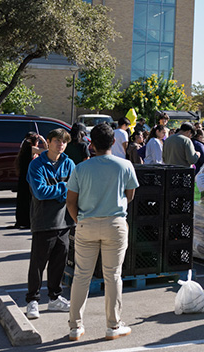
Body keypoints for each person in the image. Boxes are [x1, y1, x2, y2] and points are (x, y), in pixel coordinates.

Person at [66, 123, 139, 341]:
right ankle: (113, 325)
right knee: (113, 275)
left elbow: (71, 202)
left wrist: (80, 219)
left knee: (81, 276)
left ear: (91, 143)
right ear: (114, 141)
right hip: (114, 223)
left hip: (86, 223)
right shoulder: (125, 165)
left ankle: (75, 326)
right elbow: (130, 195)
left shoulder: (80, 168)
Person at [24, 128, 76, 320]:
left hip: (65, 221)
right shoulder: (37, 165)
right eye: (57, 141)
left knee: (58, 263)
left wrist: (60, 191)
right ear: (48, 141)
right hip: (44, 222)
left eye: (64, 142)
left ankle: (55, 298)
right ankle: (32, 300)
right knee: (38, 264)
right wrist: (64, 188)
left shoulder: (69, 163)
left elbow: (76, 189)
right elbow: (40, 192)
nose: (60, 145)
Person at [14, 132, 46, 230]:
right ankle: (27, 221)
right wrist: (43, 140)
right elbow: (47, 151)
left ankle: (21, 221)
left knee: (22, 199)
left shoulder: (24, 148)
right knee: (28, 200)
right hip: (29, 178)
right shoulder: (31, 149)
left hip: (23, 178)